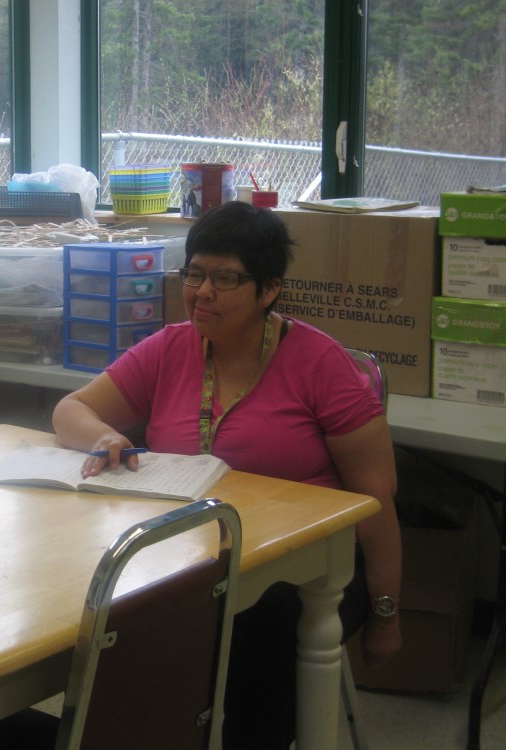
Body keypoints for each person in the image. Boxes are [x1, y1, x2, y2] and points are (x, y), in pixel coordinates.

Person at [52, 201, 402, 748]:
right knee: (121, 616)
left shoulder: (321, 364)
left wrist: (385, 611)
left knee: (261, 636)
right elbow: (70, 409)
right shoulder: (170, 348)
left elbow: (375, 499)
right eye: (194, 273)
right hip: (193, 552)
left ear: (269, 290)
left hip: (309, 564)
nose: (202, 292)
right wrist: (104, 436)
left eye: (225, 279)